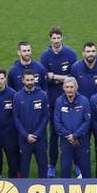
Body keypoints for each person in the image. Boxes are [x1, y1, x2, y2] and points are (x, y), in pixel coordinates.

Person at [38, 26, 78, 173]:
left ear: (62, 38)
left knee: (72, 133)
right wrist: (63, 78)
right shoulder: (45, 56)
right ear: (50, 39)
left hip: (71, 100)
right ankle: (52, 165)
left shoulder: (71, 54)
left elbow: (73, 77)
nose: (56, 40)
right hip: (53, 102)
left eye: (58, 37)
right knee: (54, 135)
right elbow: (44, 78)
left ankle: (77, 164)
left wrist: (54, 76)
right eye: (53, 38)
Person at [13, 71, 51, 178]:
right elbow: (16, 118)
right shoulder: (17, 96)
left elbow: (46, 116)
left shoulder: (42, 95)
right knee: (24, 168)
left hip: (40, 139)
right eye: (27, 80)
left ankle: (44, 186)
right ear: (23, 80)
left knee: (43, 166)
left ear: (35, 80)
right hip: (24, 140)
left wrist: (37, 134)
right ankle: (24, 188)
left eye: (31, 80)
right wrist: (26, 135)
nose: (30, 82)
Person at [53, 77, 93, 179]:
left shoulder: (84, 101)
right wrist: (68, 136)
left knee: (86, 169)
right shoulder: (59, 101)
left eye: (71, 87)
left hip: (82, 141)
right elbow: (57, 122)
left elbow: (87, 121)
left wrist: (75, 136)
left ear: (76, 87)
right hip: (65, 141)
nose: (69, 89)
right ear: (63, 88)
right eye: (67, 87)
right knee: (65, 170)